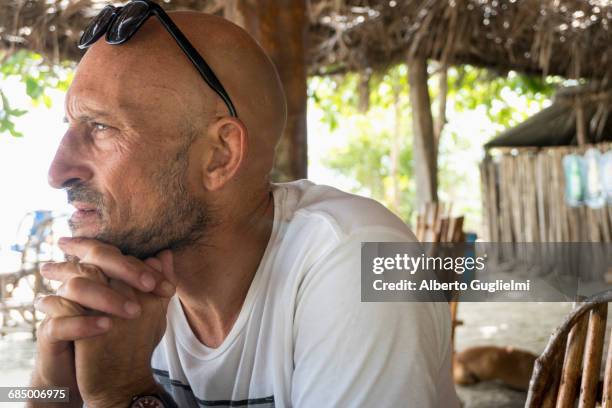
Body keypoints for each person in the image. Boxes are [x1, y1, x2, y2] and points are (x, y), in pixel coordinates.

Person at [29, 3, 459, 407]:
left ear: (219, 155)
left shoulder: (362, 258)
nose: (57, 171)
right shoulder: (123, 282)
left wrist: (123, 395)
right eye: (70, 127)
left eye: (101, 127)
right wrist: (49, 388)